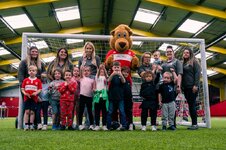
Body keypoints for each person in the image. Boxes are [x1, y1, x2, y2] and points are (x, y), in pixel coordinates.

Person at [18, 46, 46, 129]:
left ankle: (34, 124)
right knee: (26, 107)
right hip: (26, 89)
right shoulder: (24, 62)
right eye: (33, 51)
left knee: (34, 108)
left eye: (36, 52)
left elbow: (44, 73)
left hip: (36, 90)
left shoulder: (41, 63)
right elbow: (20, 74)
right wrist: (23, 87)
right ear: (29, 52)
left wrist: (43, 75)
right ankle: (25, 124)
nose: (34, 53)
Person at [161, 45, 183, 127]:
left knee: (171, 104)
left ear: (173, 53)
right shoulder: (164, 63)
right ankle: (166, 124)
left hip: (173, 87)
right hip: (164, 88)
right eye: (167, 52)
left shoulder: (177, 62)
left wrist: (178, 86)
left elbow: (180, 74)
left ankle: (172, 124)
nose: (169, 53)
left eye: (170, 51)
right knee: (165, 105)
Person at [182, 48, 201, 130]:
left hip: (192, 87)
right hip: (186, 88)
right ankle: (193, 123)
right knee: (190, 105)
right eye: (184, 52)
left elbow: (197, 73)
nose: (185, 54)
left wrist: (195, 85)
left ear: (190, 54)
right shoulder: (183, 63)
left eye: (187, 53)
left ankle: (195, 124)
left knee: (192, 105)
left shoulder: (194, 61)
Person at [107, 61, 127, 130]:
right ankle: (108, 126)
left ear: (120, 68)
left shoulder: (121, 75)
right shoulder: (111, 75)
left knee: (122, 111)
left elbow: (124, 81)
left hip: (120, 97)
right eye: (115, 67)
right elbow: (108, 80)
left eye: (118, 67)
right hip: (112, 97)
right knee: (110, 111)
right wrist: (113, 74)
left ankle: (123, 125)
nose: (116, 69)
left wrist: (120, 75)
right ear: (112, 68)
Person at [21, 65, 42, 131]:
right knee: (27, 111)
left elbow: (39, 89)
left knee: (32, 112)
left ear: (36, 72)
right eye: (30, 70)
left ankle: (31, 125)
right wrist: (25, 93)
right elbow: (22, 89)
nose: (31, 72)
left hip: (34, 98)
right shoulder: (25, 80)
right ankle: (26, 125)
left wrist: (36, 93)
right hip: (26, 98)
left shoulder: (38, 81)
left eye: (33, 71)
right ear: (28, 72)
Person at [78, 66, 95, 130]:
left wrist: (94, 90)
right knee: (81, 111)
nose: (86, 72)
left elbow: (93, 88)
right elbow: (81, 72)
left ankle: (91, 124)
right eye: (85, 71)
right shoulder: (81, 78)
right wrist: (81, 68)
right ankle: (80, 124)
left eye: (88, 71)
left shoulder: (92, 80)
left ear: (90, 72)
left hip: (89, 97)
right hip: (82, 96)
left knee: (90, 111)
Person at [93, 64, 109, 131]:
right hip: (97, 96)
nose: (102, 72)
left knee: (104, 112)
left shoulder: (106, 77)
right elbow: (94, 86)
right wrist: (94, 90)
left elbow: (107, 84)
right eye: (100, 71)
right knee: (97, 111)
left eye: (103, 71)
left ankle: (104, 125)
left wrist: (104, 68)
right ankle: (97, 125)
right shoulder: (96, 77)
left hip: (104, 96)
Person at [121, 66, 133, 131]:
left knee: (129, 112)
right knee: (122, 112)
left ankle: (130, 124)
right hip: (122, 99)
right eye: (124, 72)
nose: (126, 73)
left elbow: (130, 89)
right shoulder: (120, 81)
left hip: (129, 99)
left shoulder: (129, 81)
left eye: (127, 72)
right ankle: (123, 124)